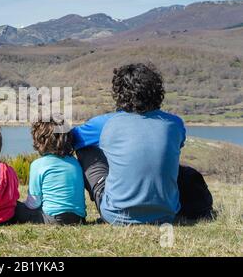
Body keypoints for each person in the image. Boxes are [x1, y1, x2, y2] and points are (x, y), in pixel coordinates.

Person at [73, 63, 186, 225]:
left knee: (86, 149)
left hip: (116, 216)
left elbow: (70, 140)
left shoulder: (104, 123)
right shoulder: (175, 123)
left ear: (119, 93)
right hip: (166, 215)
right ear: (156, 91)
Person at [15, 119, 86, 225]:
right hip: (78, 218)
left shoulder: (38, 164)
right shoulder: (74, 162)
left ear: (40, 140)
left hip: (53, 218)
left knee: (14, 207)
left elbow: (33, 204)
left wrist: (22, 205)